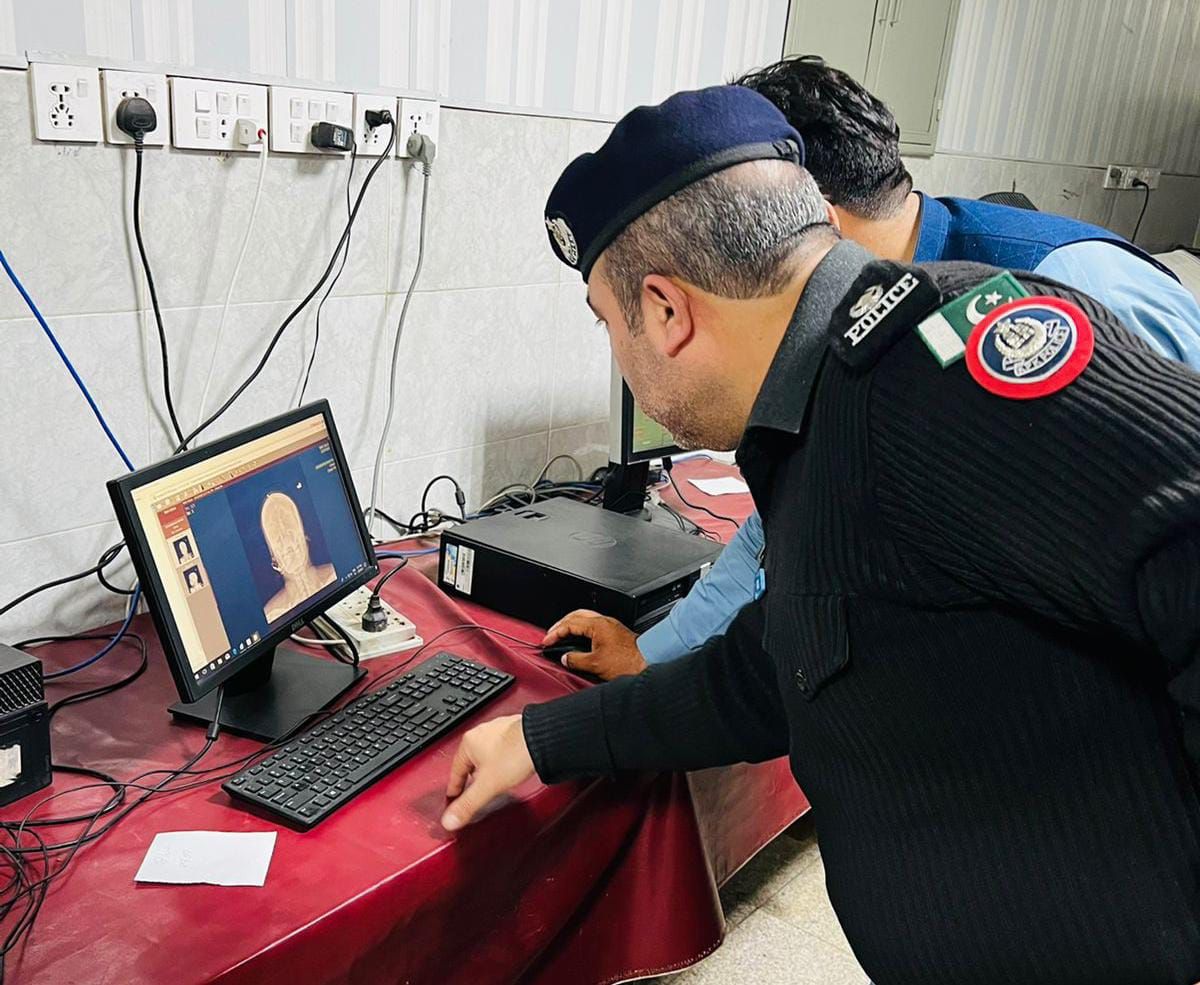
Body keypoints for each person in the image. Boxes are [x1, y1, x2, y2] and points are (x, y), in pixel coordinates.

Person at [443, 85, 1200, 983]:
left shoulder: (955, 368)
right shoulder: (820, 415)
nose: (622, 361)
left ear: (667, 311)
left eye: (611, 328)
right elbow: (778, 666)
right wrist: (545, 738)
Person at [550, 54, 1200, 682]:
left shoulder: (1050, 299)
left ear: (805, 215)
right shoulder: (842, 344)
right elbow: (782, 524)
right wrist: (656, 653)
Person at [260, 491, 335, 622]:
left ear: (305, 537)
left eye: (290, 531)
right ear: (274, 559)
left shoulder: (334, 575)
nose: (287, 543)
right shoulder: (271, 615)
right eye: (279, 538)